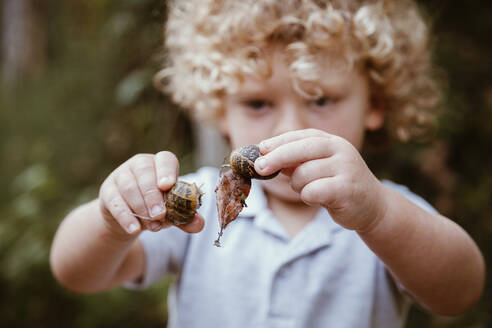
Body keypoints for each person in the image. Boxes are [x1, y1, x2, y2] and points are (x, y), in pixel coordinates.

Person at [50, 1, 485, 327]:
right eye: (257, 103)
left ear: (376, 102)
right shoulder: (196, 206)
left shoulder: (384, 215)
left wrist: (379, 214)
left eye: (319, 99)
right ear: (220, 108)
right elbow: (75, 272)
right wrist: (111, 220)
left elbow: (460, 291)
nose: (286, 129)